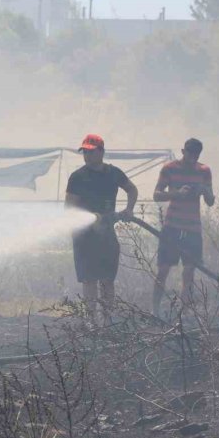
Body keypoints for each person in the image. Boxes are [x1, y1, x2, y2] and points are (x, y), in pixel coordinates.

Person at [65, 134, 139, 321]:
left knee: (107, 280)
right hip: (84, 237)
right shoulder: (78, 177)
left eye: (91, 152)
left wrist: (129, 209)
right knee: (89, 280)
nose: (87, 155)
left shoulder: (113, 173)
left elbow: (132, 189)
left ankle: (107, 322)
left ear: (101, 152)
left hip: (106, 235)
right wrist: (89, 218)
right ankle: (91, 323)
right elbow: (69, 208)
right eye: (84, 152)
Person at [152, 138, 215, 316]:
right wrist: (177, 194)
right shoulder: (169, 168)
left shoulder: (204, 171)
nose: (192, 158)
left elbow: (210, 201)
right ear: (183, 151)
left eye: (196, 155)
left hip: (192, 229)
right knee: (163, 269)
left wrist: (205, 191)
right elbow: (157, 195)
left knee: (189, 271)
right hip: (172, 226)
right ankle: (154, 311)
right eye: (189, 154)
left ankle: (184, 313)